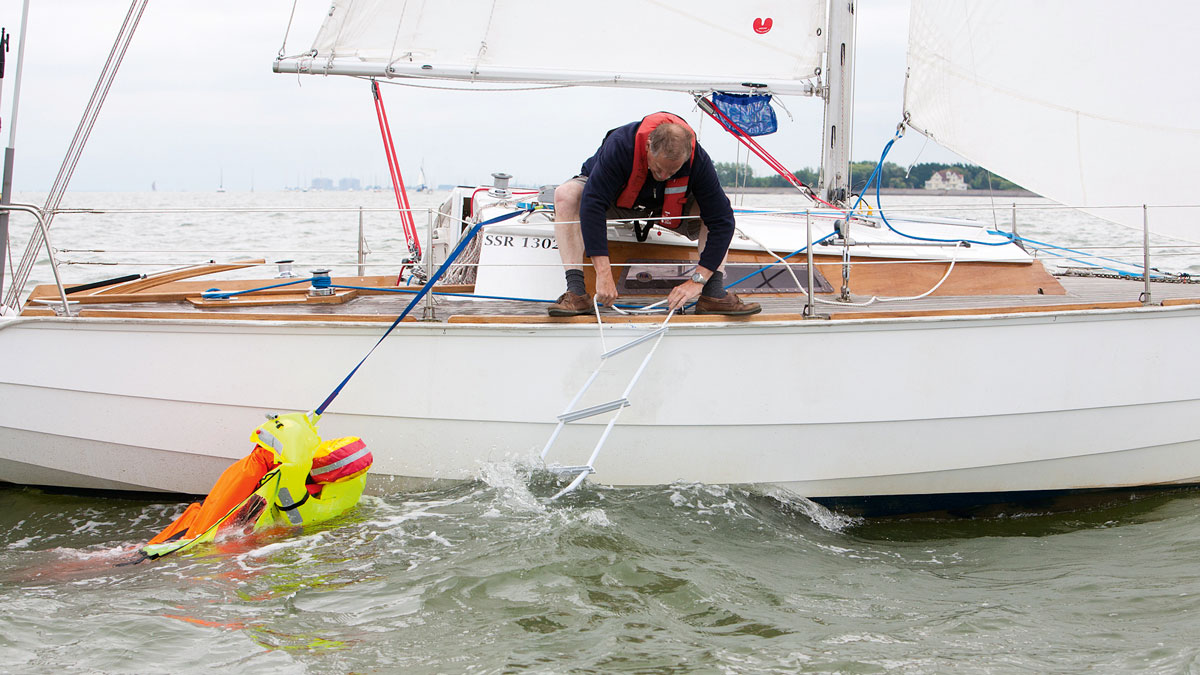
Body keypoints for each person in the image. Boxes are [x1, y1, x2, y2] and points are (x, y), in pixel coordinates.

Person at [548, 112, 761, 317]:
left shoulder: (698, 160)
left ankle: (713, 294)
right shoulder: (621, 145)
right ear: (648, 146)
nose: (664, 176)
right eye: (659, 169)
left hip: (669, 206)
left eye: (673, 172)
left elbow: (722, 221)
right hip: (617, 200)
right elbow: (592, 204)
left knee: (718, 208)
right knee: (566, 194)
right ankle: (576, 292)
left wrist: (698, 280)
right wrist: (603, 273)